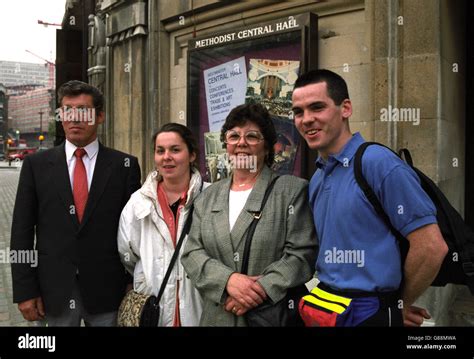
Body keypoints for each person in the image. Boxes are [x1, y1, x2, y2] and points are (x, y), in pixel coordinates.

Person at [291, 69, 448, 326]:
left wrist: (398, 305)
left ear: (346, 109)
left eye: (317, 107)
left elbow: (431, 247)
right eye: (298, 112)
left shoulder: (378, 163)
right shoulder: (318, 177)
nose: (306, 119)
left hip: (369, 311)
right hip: (328, 308)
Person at [10, 80, 141, 326]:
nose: (74, 118)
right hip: (53, 293)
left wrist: (134, 281)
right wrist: (24, 290)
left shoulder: (125, 166)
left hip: (108, 293)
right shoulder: (36, 166)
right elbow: (21, 232)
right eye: (67, 111)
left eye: (83, 110)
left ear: (100, 116)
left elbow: (135, 232)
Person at [181, 103, 317, 326]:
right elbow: (192, 253)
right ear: (226, 145)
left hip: (268, 316)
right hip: (217, 318)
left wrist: (258, 290)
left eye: (252, 136)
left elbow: (302, 255)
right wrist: (228, 282)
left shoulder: (292, 190)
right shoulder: (208, 196)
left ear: (267, 147)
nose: (241, 142)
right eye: (233, 136)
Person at [117, 123, 206, 326]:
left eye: (175, 150)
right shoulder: (138, 202)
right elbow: (127, 253)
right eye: (160, 151)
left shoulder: (210, 197)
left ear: (192, 155)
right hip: (153, 306)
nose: (167, 157)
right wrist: (145, 276)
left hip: (198, 307)